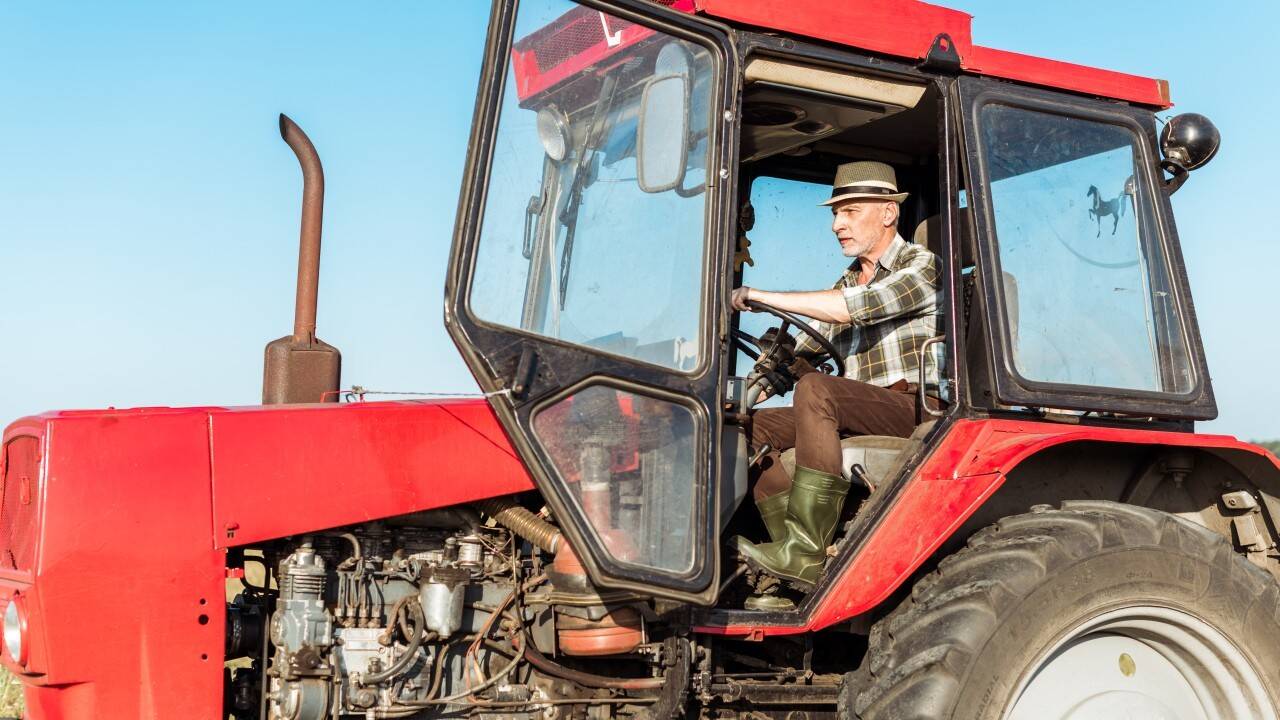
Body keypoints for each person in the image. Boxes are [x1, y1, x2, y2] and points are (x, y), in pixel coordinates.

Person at [730, 161, 942, 607]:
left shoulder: (922, 267)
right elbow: (807, 346)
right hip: (854, 409)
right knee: (748, 428)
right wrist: (749, 393)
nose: (836, 225)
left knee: (817, 390)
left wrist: (761, 297)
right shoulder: (845, 281)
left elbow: (855, 308)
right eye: (834, 213)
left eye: (849, 211)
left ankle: (805, 548)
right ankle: (791, 562)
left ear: (888, 212)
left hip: (915, 408)